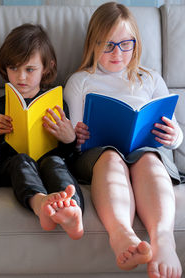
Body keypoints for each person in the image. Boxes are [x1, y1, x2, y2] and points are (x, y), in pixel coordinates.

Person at [64, 2, 183, 278]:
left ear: (136, 43)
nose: (117, 53)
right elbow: (74, 134)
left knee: (149, 161)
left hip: (146, 150)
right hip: (99, 155)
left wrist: (175, 136)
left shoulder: (149, 78)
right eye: (108, 45)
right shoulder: (80, 81)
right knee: (110, 158)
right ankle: (121, 235)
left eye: (125, 44)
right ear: (93, 44)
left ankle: (163, 239)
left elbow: (173, 129)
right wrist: (77, 137)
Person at [0, 23, 84, 240]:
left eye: (29, 69)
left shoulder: (57, 103)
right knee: (21, 160)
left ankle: (72, 209)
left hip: (49, 162)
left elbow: (68, 157)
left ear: (47, 67)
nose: (21, 77)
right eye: (13, 68)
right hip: (14, 167)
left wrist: (69, 139)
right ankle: (41, 203)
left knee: (54, 163)